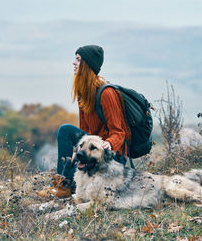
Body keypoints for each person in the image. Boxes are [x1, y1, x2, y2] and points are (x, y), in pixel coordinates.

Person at [37, 45, 131, 198]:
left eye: (78, 60)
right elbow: (85, 132)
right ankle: (65, 184)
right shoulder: (84, 93)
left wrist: (109, 143)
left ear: (88, 64)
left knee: (65, 129)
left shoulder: (107, 93)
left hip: (110, 155)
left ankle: (63, 186)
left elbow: (119, 132)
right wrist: (77, 150)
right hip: (91, 151)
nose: (74, 63)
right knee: (69, 135)